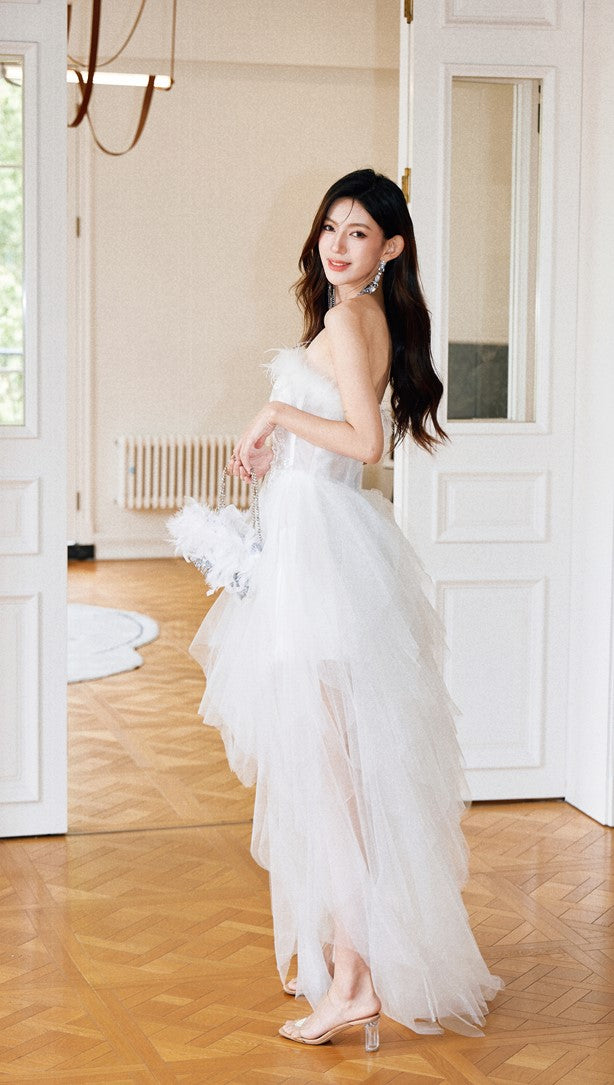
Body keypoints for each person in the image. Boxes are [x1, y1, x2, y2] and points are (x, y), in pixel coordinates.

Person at [187, 168, 504, 1049]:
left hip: (325, 561)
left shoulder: (349, 318)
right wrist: (275, 445)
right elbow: (334, 441)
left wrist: (276, 412)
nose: (337, 244)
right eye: (331, 226)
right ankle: (348, 961)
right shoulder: (356, 316)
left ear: (390, 247)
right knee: (334, 774)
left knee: (332, 781)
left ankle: (354, 978)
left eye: (358, 232)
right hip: (316, 544)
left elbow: (364, 442)